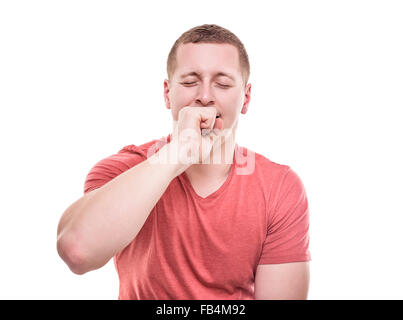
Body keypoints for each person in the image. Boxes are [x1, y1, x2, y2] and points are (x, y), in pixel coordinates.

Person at [56, 24, 311, 300]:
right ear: (167, 94)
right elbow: (77, 251)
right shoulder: (123, 170)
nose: (204, 96)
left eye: (222, 83)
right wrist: (179, 152)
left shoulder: (280, 187)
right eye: (190, 82)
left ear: (246, 98)